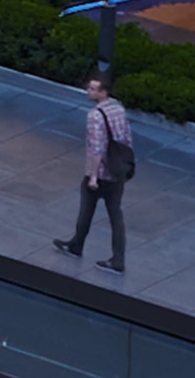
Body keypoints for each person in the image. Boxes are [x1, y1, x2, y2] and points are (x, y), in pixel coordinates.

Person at [52, 73, 135, 273]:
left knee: (87, 209)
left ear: (102, 92)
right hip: (118, 171)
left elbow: (97, 148)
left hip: (100, 173)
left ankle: (77, 246)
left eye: (92, 89)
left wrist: (94, 176)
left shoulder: (95, 116)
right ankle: (117, 258)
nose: (88, 91)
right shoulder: (118, 109)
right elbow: (126, 138)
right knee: (116, 216)